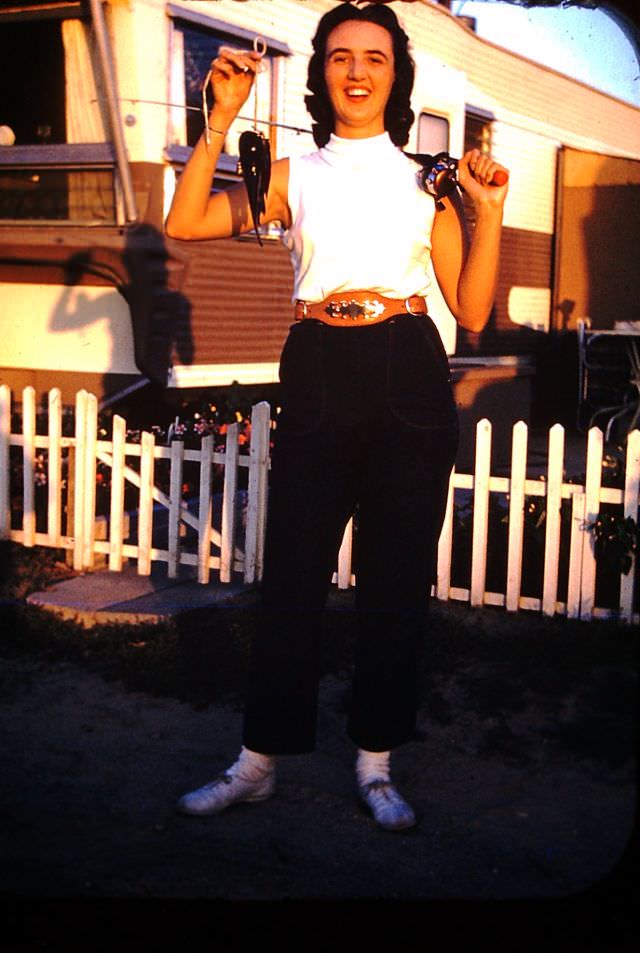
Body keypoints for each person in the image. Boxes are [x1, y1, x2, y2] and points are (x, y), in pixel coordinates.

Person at [165, 1, 508, 831]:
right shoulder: (289, 173)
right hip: (318, 360)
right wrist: (218, 124)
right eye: (342, 56)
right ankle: (257, 762)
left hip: (409, 364)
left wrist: (487, 212)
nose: (358, 71)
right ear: (320, 71)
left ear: (396, 76)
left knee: (395, 577)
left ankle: (377, 762)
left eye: (377, 58)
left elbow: (469, 305)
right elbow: (184, 222)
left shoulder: (428, 177)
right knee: (292, 572)